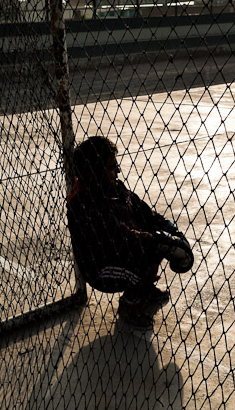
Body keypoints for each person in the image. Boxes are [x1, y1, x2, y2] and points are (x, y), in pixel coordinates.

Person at [66, 136, 193, 328]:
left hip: (122, 252)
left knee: (154, 238)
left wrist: (169, 230)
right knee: (149, 251)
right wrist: (158, 241)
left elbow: (143, 212)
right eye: (111, 167)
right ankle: (130, 305)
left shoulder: (115, 188)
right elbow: (120, 237)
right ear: (93, 174)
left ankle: (143, 288)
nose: (117, 170)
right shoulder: (85, 205)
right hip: (101, 267)